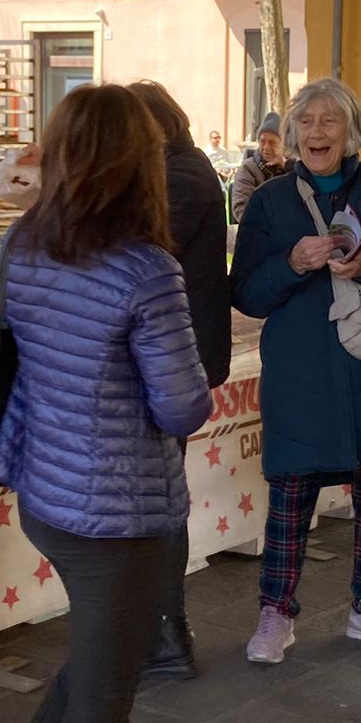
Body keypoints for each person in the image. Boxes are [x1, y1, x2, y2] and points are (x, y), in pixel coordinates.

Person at [0, 84, 213, 723]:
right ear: (141, 162)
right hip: (120, 512)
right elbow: (183, 406)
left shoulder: (28, 244)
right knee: (105, 694)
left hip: (47, 493)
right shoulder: (146, 270)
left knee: (94, 668)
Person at [231, 78, 361, 663]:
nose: (317, 132)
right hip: (301, 373)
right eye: (306, 121)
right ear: (292, 133)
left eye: (330, 121)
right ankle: (275, 613)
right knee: (290, 496)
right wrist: (292, 263)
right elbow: (246, 293)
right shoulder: (270, 200)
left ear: (351, 131)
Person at [130, 81, 231, 681]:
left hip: (171, 363)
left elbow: (137, 245)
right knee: (155, 495)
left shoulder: (183, 177)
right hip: (169, 358)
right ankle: (156, 629)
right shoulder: (175, 171)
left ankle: (166, 636)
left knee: (161, 498)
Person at [231, 112, 288, 220]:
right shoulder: (248, 168)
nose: (266, 147)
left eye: (272, 142)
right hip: (258, 226)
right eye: (262, 142)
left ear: (283, 144)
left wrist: (285, 165)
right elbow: (241, 208)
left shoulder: (291, 167)